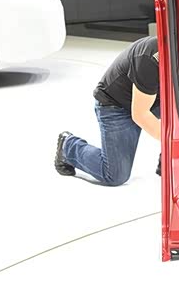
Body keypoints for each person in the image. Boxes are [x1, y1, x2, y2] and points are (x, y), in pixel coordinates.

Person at [54, 36, 161, 186]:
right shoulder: (150, 58)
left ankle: (170, 160)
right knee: (115, 175)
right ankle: (68, 147)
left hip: (152, 100)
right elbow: (140, 114)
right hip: (115, 105)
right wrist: (172, 141)